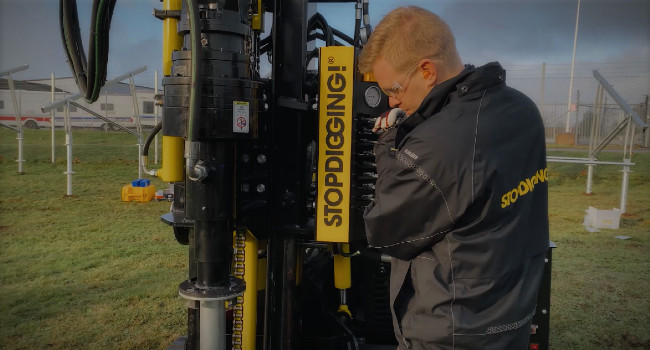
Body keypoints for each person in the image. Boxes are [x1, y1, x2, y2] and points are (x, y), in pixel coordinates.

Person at [359, 6, 549, 350]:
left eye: (394, 88)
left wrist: (387, 140)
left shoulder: (438, 143)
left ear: (427, 70)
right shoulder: (522, 110)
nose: (391, 100)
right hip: (511, 318)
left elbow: (385, 230)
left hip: (451, 332)